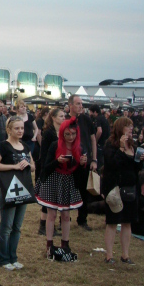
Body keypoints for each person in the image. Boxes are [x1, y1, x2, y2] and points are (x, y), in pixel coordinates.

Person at [36, 118, 87, 261]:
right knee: (51, 214)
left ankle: (65, 244)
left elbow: (80, 175)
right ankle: (49, 244)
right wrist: (57, 161)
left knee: (66, 215)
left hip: (68, 181)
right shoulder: (55, 145)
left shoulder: (80, 148)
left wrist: (82, 164)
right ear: (62, 134)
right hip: (53, 180)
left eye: (73, 134)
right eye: (67, 134)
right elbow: (45, 167)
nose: (71, 137)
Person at [0, 115, 35, 270]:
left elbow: (33, 166)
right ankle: (3, 259)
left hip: (23, 189)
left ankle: (13, 257)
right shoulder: (3, 146)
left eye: (22, 128)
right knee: (7, 226)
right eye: (17, 128)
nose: (20, 131)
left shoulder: (25, 146)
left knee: (17, 226)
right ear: (9, 130)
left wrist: (28, 164)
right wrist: (14, 166)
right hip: (9, 189)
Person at [102, 117, 144, 264]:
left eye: (132, 126)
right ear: (120, 128)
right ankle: (109, 255)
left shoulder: (133, 145)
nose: (131, 129)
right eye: (128, 126)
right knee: (112, 222)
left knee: (127, 222)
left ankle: (125, 255)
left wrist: (140, 160)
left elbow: (136, 168)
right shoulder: (110, 144)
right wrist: (120, 148)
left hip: (130, 189)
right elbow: (111, 164)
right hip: (115, 189)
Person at [68, 95, 97, 231]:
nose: (81, 106)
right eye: (78, 103)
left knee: (83, 191)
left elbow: (93, 139)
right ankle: (65, 218)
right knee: (67, 190)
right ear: (70, 105)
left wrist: (94, 159)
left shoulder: (86, 119)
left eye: (81, 103)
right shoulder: (66, 120)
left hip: (85, 161)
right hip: (69, 161)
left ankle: (82, 219)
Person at [36, 107, 65, 235]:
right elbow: (44, 153)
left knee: (53, 199)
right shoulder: (49, 133)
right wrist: (44, 169)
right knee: (48, 199)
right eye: (61, 116)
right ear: (53, 117)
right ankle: (44, 226)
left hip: (59, 168)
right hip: (49, 167)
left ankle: (47, 225)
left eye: (64, 116)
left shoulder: (62, 132)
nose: (63, 118)